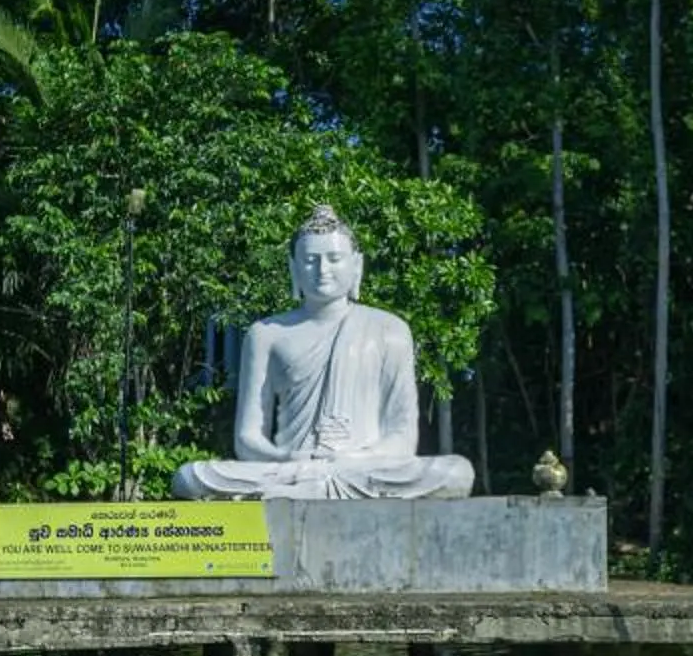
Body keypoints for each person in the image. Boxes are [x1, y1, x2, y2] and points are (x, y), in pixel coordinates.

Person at [170, 206, 475, 500]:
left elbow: (403, 438)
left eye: (334, 258)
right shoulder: (266, 333)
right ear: (293, 267)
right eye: (310, 260)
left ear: (357, 265)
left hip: (361, 468)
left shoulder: (390, 330)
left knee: (456, 473)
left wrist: (349, 459)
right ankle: (311, 485)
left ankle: (312, 487)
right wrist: (290, 458)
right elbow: (247, 439)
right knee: (190, 477)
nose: (322, 270)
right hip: (291, 467)